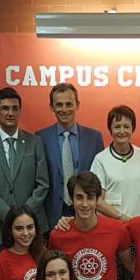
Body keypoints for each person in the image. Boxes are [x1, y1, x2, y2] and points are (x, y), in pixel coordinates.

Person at [0, 86, 50, 242]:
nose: (10, 113)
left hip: (33, 227)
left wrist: (24, 217)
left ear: (20, 111)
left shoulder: (35, 142)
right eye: (5, 108)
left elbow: (43, 184)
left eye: (15, 108)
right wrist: (11, 218)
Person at [48, 172, 133, 280]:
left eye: (90, 198)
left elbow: (131, 266)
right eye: (79, 197)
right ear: (71, 199)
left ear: (97, 200)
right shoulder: (58, 235)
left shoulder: (117, 229)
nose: (84, 204)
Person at [38, 83, 104, 226]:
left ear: (77, 105)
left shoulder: (94, 138)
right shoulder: (40, 138)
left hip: (87, 212)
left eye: (69, 104)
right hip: (53, 215)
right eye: (59, 105)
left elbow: (99, 181)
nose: (64, 109)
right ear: (51, 107)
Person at [89, 104, 140, 222]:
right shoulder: (101, 159)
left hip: (139, 223)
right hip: (113, 225)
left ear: (133, 128)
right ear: (110, 130)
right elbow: (97, 200)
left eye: (126, 127)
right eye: (117, 127)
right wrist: (122, 217)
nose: (122, 131)